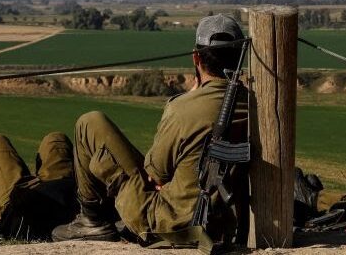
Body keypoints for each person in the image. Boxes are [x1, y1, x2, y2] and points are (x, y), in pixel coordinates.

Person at [52, 14, 248, 245]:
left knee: (90, 123)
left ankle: (91, 221)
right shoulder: (255, 106)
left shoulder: (183, 109)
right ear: (239, 58)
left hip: (169, 223)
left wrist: (187, 99)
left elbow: (155, 173)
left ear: (196, 57)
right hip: (223, 222)